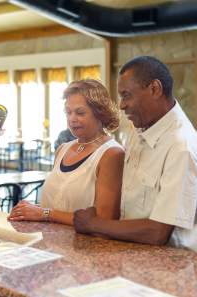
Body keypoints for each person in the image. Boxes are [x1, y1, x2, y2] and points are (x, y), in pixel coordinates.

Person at [74, 56, 197, 251]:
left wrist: (93, 224)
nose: (121, 105)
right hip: (132, 253)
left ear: (154, 89)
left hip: (168, 265)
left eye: (126, 95)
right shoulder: (139, 127)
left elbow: (157, 232)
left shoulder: (180, 146)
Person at [8, 79, 125, 225]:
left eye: (80, 113)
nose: (72, 119)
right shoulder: (63, 149)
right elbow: (59, 206)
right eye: (68, 112)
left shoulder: (111, 154)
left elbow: (104, 218)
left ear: (100, 113)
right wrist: (30, 210)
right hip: (49, 242)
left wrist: (44, 213)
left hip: (84, 245)